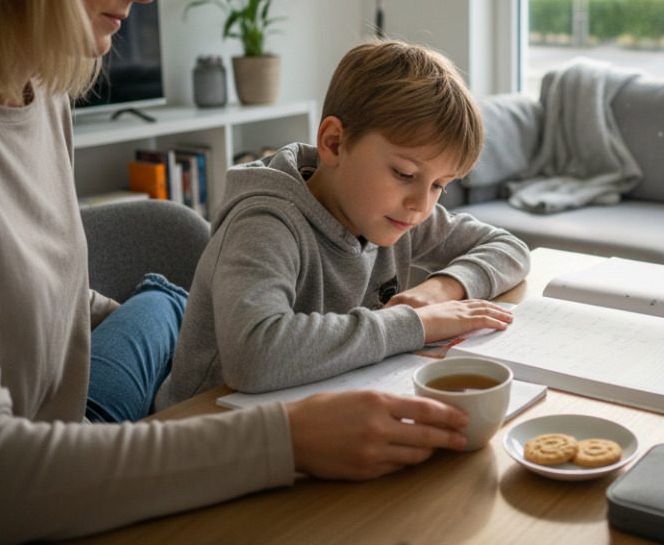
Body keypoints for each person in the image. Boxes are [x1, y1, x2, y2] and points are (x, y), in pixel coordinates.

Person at [0, 0, 475, 545]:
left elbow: (38, 307)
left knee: (168, 300)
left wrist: (153, 336)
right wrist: (288, 438)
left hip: (73, 456)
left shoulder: (39, 95)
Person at [156, 40, 531, 408]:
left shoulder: (396, 213)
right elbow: (253, 357)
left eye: (439, 185)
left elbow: (509, 248)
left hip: (316, 406)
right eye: (404, 173)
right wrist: (416, 323)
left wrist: (440, 290)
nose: (421, 205)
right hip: (205, 426)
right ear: (334, 143)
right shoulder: (265, 224)